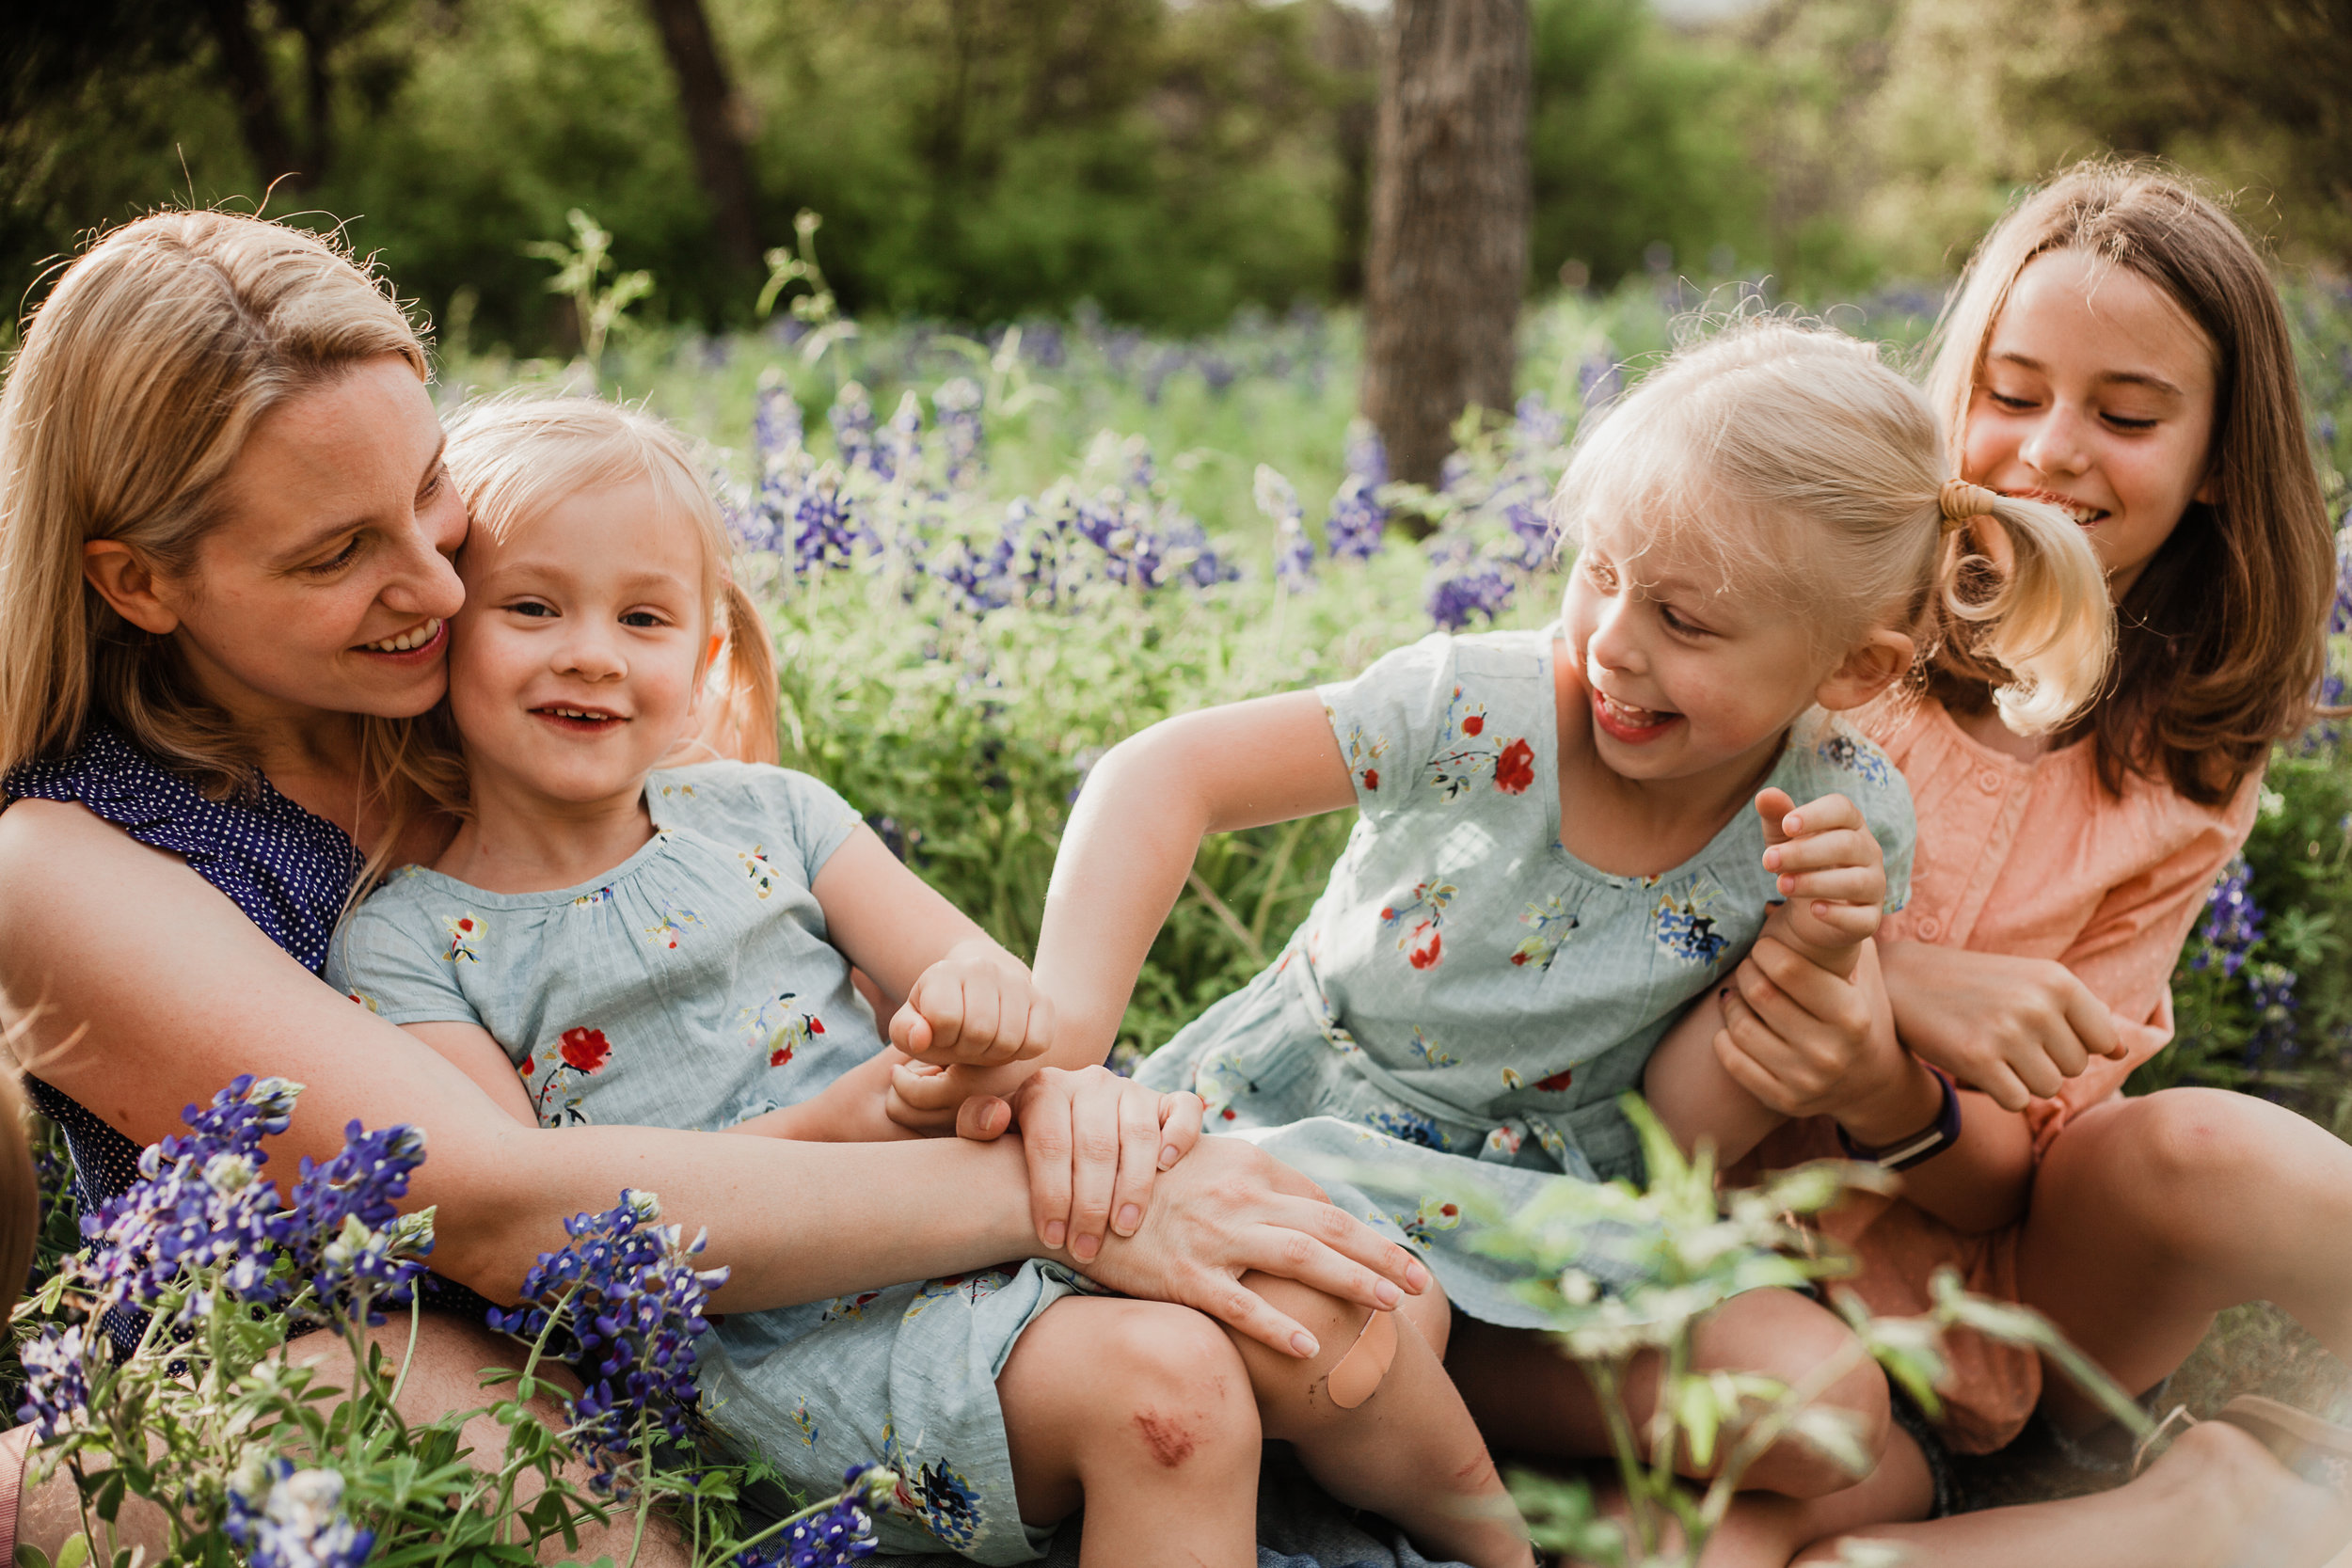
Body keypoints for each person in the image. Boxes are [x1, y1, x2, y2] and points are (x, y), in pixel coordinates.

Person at [0, 211, 1428, 1566]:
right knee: (450, 1409)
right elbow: (498, 1207)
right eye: (336, 552)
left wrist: (1065, 1109)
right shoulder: (64, 860)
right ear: (139, 583)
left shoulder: (485, 691)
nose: (437, 586)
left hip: (766, 1283)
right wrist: (1061, 1201)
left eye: (427, 494)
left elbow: (819, 985)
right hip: (382, 1370)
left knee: (1305, 1319)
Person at [322, 394, 1534, 1567]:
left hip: (964, 1228)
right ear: (445, 629)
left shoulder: (775, 815)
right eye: (533, 606)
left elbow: (1013, 1011)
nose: (589, 652)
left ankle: (1508, 1548)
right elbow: (544, 1249)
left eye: (642, 620)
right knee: (1172, 1394)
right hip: (759, 1344)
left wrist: (977, 1018)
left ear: (705, 650)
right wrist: (858, 1117)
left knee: (1340, 1325)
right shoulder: (409, 940)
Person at [952, 317, 2116, 1505]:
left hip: (1554, 1219)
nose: (1612, 641)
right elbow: (1165, 774)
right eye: (1600, 571)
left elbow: (1685, 1128)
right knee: (1370, 1320)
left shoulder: (1837, 817)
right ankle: (1445, 1466)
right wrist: (1070, 1041)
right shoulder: (1481, 705)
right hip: (1303, 1143)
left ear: (1851, 671)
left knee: (1823, 1407)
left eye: (1686, 620)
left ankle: (1434, 1415)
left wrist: (1819, 958)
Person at [1681, 164, 2352, 1566]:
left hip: (1990, 1304)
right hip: (1719, 1263)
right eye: (2012, 389)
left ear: (2223, 455)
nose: (2050, 449)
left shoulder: (2185, 767)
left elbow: (2014, 1180)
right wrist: (1899, 978)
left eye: (2126, 415)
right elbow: (1619, 893)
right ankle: (2200, 1514)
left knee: (2206, 1143)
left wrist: (1882, 1078)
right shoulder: (1834, 619)